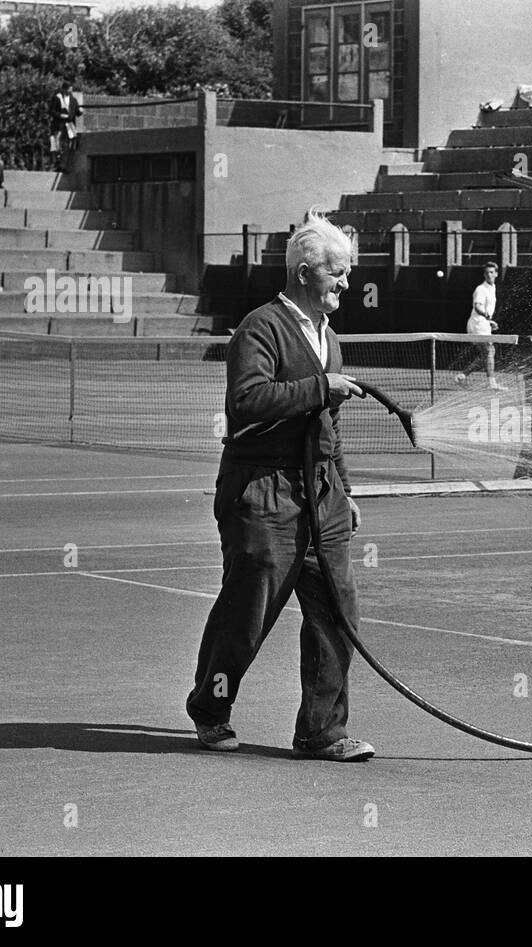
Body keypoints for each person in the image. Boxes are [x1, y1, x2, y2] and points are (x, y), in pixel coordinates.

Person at [185, 210, 374, 763]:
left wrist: (344, 488)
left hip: (321, 496)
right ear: (304, 271)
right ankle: (211, 708)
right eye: (337, 272)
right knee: (247, 615)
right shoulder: (259, 328)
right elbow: (244, 407)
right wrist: (319, 387)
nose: (346, 283)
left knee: (339, 615)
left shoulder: (329, 338)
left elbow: (329, 428)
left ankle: (322, 731)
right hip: (262, 492)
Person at [456, 262, 507, 391]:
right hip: (477, 325)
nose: (489, 275)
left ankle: (462, 376)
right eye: (486, 273)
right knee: (490, 351)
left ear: (496, 274)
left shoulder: (492, 288)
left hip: (482, 323)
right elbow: (478, 307)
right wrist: (486, 316)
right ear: (484, 275)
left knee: (487, 354)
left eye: (491, 272)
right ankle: (492, 383)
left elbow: (484, 311)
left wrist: (489, 322)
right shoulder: (481, 289)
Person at [49, 80, 82, 170]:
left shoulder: (73, 100)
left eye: (71, 90)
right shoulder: (57, 98)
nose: (70, 91)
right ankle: (57, 161)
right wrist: (60, 115)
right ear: (64, 89)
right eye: (68, 89)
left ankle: (64, 164)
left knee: (69, 144)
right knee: (57, 143)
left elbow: (77, 112)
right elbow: (51, 111)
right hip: (59, 124)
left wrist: (80, 112)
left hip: (70, 125)